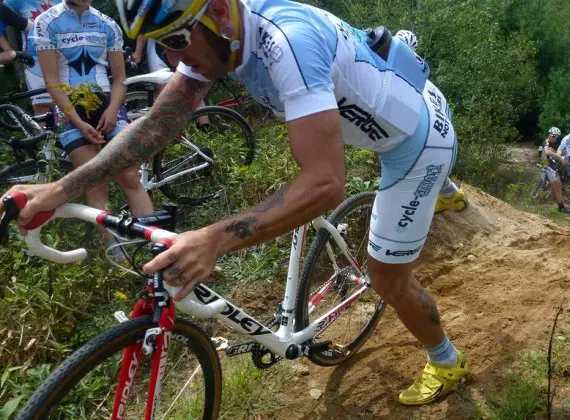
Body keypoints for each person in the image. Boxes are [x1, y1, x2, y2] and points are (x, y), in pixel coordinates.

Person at [4, 0, 469, 405]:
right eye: (160, 45)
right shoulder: (214, 35)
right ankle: (443, 191)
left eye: (177, 41)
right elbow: (154, 127)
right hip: (373, 114)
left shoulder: (289, 44)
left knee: (386, 276)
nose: (172, 57)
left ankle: (445, 360)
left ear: (221, 13)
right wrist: (61, 189)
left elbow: (327, 185)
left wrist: (212, 240)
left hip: (415, 141)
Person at [31, 0, 153, 250]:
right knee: (95, 182)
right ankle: (116, 253)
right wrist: (76, 120)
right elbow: (52, 81)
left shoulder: (107, 24)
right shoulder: (46, 22)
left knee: (128, 175)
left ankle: (152, 244)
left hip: (107, 104)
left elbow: (120, 79)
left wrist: (111, 110)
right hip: (70, 111)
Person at [394, 28, 467, 214]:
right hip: (444, 134)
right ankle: (451, 194)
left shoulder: (397, 70)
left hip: (421, 133)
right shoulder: (425, 76)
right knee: (431, 161)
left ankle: (420, 204)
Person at [3, 0, 58, 117]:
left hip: (64, 57)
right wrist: (8, 50)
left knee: (74, 103)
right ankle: (48, 135)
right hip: (35, 60)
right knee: (43, 109)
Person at [539, 127, 570, 213]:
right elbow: (547, 152)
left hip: (550, 166)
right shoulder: (546, 143)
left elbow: (553, 154)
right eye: (553, 136)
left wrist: (562, 156)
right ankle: (561, 207)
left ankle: (560, 205)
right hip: (547, 167)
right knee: (556, 186)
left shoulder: (550, 144)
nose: (555, 138)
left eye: (556, 137)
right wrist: (560, 158)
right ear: (549, 135)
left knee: (558, 185)